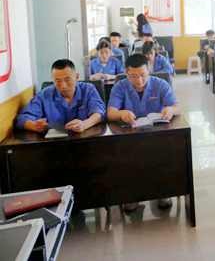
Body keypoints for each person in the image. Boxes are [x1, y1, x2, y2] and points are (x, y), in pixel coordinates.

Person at [107, 54, 179, 211]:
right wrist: (121, 114)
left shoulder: (160, 84)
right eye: (133, 76)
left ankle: (163, 192)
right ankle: (133, 195)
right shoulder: (120, 86)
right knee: (127, 160)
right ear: (126, 73)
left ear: (149, 70)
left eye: (143, 75)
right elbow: (110, 113)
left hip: (157, 134)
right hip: (130, 136)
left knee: (164, 154)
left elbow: (176, 107)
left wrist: (170, 110)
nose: (139, 81)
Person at [16, 59, 105, 133]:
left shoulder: (88, 89)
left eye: (67, 79)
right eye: (58, 81)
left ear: (77, 77)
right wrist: (34, 125)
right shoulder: (44, 94)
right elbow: (22, 118)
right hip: (55, 143)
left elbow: (99, 113)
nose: (63, 86)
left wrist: (84, 124)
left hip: (86, 140)